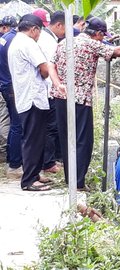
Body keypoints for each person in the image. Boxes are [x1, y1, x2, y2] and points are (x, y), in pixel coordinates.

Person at [49, 17, 120, 190]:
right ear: (97, 34)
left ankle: (71, 179)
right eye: (101, 36)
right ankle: (78, 182)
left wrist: (57, 83)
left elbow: (51, 65)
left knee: (67, 139)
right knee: (83, 141)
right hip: (80, 99)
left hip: (60, 97)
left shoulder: (65, 42)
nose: (101, 39)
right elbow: (117, 52)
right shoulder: (92, 44)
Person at [8, 14, 51, 191]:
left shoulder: (16, 42)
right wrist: (44, 76)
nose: (39, 36)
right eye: (39, 32)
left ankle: (34, 174)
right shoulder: (28, 43)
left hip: (25, 96)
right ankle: (29, 181)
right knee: (33, 140)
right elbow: (45, 68)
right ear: (33, 29)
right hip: (33, 98)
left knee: (35, 138)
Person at [36, 10, 65, 174]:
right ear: (59, 25)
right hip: (49, 90)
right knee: (51, 128)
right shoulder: (50, 42)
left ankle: (48, 161)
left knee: (49, 128)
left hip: (48, 89)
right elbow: (49, 67)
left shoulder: (47, 39)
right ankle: (48, 163)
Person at [0, 16, 23, 179]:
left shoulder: (3, 40)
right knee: (17, 125)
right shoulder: (14, 41)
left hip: (4, 84)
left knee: (12, 123)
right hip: (12, 86)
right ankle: (14, 164)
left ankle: (10, 158)